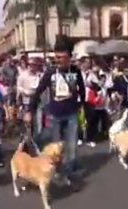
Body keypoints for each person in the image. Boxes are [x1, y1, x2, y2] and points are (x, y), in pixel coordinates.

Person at [25, 44, 85, 186]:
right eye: (56, 57)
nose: (57, 60)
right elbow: (38, 91)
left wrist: (80, 104)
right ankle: (58, 173)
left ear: (69, 57)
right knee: (56, 151)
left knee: (72, 148)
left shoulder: (76, 71)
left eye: (61, 57)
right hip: (55, 116)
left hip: (71, 115)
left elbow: (82, 90)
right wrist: (29, 111)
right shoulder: (50, 72)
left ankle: (68, 176)